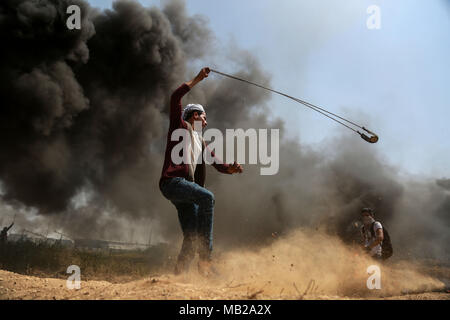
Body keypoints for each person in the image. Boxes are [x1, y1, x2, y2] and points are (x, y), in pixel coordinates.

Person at [159, 67, 243, 276]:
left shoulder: (201, 141)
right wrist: (198, 79)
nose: (206, 122)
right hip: (173, 183)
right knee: (207, 198)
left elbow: (217, 163)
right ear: (195, 115)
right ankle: (205, 261)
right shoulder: (180, 126)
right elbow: (175, 96)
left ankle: (178, 275)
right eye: (204, 117)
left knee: (191, 235)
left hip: (183, 192)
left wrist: (230, 169)